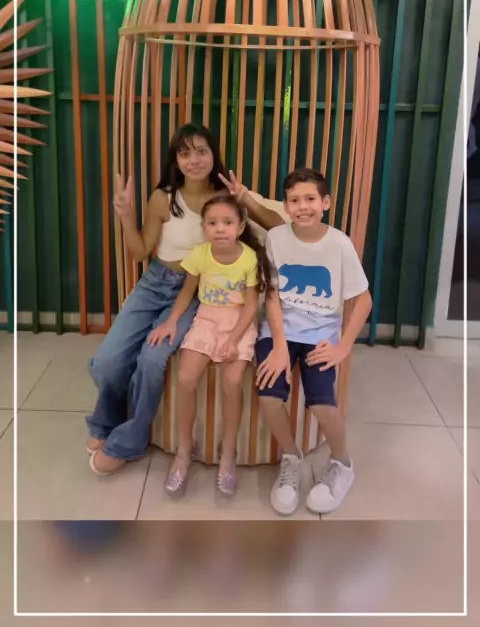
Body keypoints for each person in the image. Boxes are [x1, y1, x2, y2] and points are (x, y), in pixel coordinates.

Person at [86, 123, 283, 475]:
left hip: (195, 292)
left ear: (214, 155)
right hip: (154, 283)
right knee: (106, 363)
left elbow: (279, 227)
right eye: (184, 153)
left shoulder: (225, 198)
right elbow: (140, 251)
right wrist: (126, 217)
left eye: (201, 151)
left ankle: (127, 442)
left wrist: (246, 199)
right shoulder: (163, 198)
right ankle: (105, 420)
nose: (194, 160)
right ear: (175, 160)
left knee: (151, 361)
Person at [255, 167, 372, 516]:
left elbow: (363, 300)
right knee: (268, 396)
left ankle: (342, 463)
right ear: (285, 206)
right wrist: (278, 345)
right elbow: (272, 295)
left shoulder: (339, 244)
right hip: (279, 330)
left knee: (322, 404)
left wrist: (342, 347)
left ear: (325, 202)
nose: (302, 206)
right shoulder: (276, 238)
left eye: (310, 199)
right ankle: (291, 458)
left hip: (320, 335)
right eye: (294, 200)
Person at [148, 195, 271, 497]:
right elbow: (187, 292)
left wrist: (233, 339)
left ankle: (228, 451)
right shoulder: (200, 254)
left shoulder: (249, 258)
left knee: (232, 381)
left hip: (239, 322)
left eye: (227, 222)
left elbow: (251, 305)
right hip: (206, 318)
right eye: (212, 223)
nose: (220, 229)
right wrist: (172, 321)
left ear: (240, 227)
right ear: (203, 228)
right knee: (186, 377)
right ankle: (184, 449)